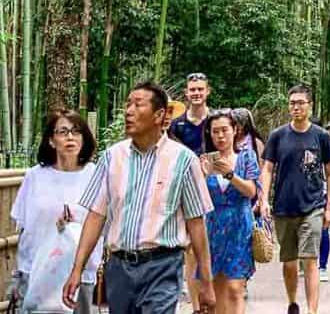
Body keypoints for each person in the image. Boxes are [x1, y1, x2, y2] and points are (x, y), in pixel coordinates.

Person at [62, 80, 216, 314]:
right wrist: (77, 269)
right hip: (119, 268)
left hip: (162, 266)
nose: (129, 111)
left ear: (159, 115)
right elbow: (96, 216)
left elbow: (196, 224)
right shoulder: (112, 157)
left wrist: (206, 282)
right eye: (128, 104)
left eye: (138, 104)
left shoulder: (184, 161)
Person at [9, 110, 101, 314]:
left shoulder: (95, 175)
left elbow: (103, 223)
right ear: (51, 140)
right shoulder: (35, 176)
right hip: (36, 271)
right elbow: (24, 228)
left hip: (79, 274)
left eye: (76, 132)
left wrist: (72, 224)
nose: (70, 137)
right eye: (63, 132)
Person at [260, 84, 330, 314]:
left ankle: (313, 310)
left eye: (301, 103)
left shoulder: (321, 136)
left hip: (312, 206)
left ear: (310, 106)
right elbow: (268, 168)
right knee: (290, 262)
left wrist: (329, 206)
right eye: (292, 103)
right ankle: (293, 301)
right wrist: (264, 198)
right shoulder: (278, 136)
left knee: (310, 259)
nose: (296, 107)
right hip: (283, 207)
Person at [200, 109, 260, 314]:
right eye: (215, 131)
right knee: (216, 291)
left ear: (235, 130)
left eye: (225, 130)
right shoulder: (204, 160)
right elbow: (198, 198)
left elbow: (251, 191)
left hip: (239, 227)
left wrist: (230, 174)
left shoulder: (246, 157)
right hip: (213, 227)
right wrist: (201, 175)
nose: (220, 136)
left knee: (235, 288)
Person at [169, 72, 214, 311]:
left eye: (200, 89)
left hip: (216, 189)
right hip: (186, 191)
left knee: (212, 243)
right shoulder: (177, 125)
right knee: (190, 247)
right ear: (186, 93)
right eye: (192, 90)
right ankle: (196, 304)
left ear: (208, 92)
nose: (196, 93)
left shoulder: (217, 121)